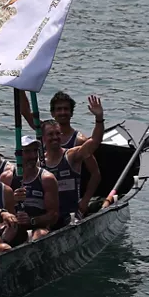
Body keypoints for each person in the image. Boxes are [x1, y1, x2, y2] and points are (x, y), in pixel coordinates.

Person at [42, 96, 106, 224]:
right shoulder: (39, 161)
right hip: (48, 215)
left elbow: (95, 142)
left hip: (70, 215)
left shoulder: (72, 155)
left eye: (57, 134)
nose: (54, 137)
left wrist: (99, 119)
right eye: (50, 135)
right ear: (43, 138)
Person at [0, 133, 58, 240]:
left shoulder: (47, 179)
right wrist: (12, 201)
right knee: (5, 232)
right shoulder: (7, 177)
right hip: (13, 224)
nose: (32, 156)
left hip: (37, 227)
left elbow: (53, 215)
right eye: (27, 152)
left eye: (35, 151)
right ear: (18, 154)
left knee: (40, 235)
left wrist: (31, 220)